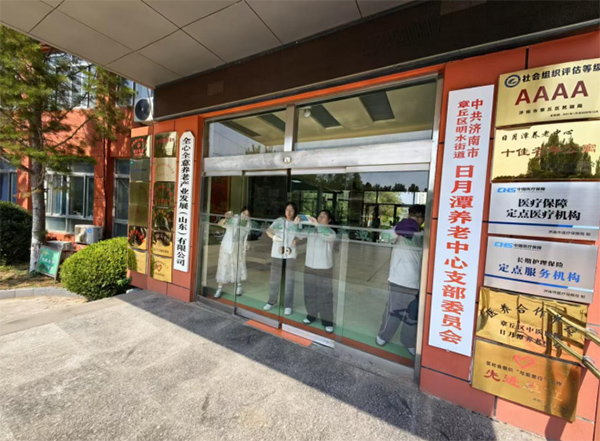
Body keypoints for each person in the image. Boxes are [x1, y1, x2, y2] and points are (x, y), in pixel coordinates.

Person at [376, 204, 426, 356]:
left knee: (413, 315)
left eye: (419, 217)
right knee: (393, 311)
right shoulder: (400, 230)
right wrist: (397, 231)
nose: (416, 219)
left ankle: (408, 341)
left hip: (419, 282)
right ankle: (384, 335)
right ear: (409, 215)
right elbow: (383, 237)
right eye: (413, 216)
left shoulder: (424, 233)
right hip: (400, 279)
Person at [296, 210, 336, 333]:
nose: (320, 217)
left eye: (324, 216)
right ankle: (311, 314)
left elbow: (326, 236)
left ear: (329, 220)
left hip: (324, 268)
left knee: (325, 294)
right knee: (309, 292)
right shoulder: (311, 230)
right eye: (319, 215)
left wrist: (317, 225)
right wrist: (298, 224)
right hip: (309, 266)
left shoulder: (331, 232)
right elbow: (299, 235)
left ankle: (327, 320)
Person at [264, 202, 300, 315]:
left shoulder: (297, 222)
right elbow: (268, 230)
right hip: (277, 253)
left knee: (289, 280)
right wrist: (273, 237)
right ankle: (272, 301)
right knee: (274, 279)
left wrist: (296, 240)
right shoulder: (279, 221)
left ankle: (288, 305)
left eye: (291, 210)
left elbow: (300, 236)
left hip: (290, 254)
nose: (289, 212)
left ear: (295, 212)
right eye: (287, 209)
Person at [214, 208, 252, 299]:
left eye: (247, 215)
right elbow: (221, 224)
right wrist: (226, 218)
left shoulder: (248, 223)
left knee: (238, 265)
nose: (245, 216)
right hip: (227, 246)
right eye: (243, 213)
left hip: (238, 246)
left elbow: (245, 236)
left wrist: (246, 243)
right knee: (224, 265)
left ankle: (239, 286)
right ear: (241, 212)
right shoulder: (234, 219)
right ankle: (219, 288)